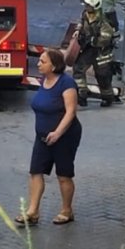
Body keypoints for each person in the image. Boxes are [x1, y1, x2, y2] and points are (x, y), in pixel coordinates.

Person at [15, 47, 81, 227]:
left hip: (65, 136)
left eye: (43, 62)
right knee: (36, 171)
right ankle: (32, 211)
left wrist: (58, 132)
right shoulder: (44, 80)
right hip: (42, 136)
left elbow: (71, 112)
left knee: (63, 175)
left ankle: (67, 210)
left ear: (54, 66)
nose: (38, 64)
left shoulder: (66, 83)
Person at [72, 0, 119, 107]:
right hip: (89, 48)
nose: (86, 7)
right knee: (78, 68)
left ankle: (107, 97)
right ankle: (82, 94)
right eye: (86, 5)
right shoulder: (86, 14)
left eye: (88, 5)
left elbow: (106, 37)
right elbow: (82, 22)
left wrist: (93, 40)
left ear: (95, 5)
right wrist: (78, 30)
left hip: (102, 51)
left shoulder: (103, 20)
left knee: (102, 75)